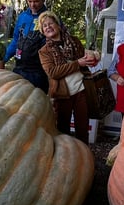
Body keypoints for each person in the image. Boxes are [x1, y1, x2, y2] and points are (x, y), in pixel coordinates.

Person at [38, 12, 97, 143]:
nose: (48, 27)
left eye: (50, 23)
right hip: (62, 94)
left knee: (82, 128)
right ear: (43, 31)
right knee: (62, 130)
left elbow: (85, 61)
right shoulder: (44, 51)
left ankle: (85, 157)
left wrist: (92, 59)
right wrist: (77, 64)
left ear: (58, 25)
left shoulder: (74, 41)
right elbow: (53, 72)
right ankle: (65, 159)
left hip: (81, 90)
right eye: (44, 26)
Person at [4, 0, 52, 93]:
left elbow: (58, 40)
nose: (32, 5)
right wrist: (4, 57)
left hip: (38, 72)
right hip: (19, 69)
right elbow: (16, 40)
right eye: (29, 1)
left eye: (36, 1)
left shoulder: (49, 18)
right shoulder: (22, 17)